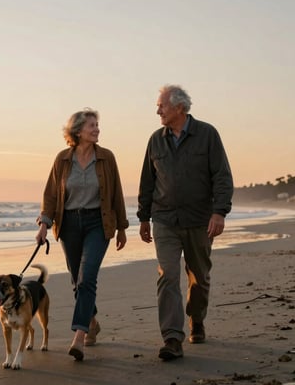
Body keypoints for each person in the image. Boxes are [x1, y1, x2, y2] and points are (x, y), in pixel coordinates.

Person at [137, 85, 233, 361]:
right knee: (167, 275)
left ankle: (197, 318)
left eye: (161, 106)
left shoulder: (207, 134)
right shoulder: (155, 140)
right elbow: (147, 182)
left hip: (200, 220)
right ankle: (172, 338)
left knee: (199, 277)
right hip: (165, 220)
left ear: (179, 107)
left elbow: (222, 177)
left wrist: (219, 212)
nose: (157, 110)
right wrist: (144, 217)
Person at [36, 108, 128, 361]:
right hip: (69, 225)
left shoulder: (107, 158)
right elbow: (51, 194)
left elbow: (116, 193)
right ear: (77, 131)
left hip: (98, 223)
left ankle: (79, 335)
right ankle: (92, 320)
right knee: (78, 281)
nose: (97, 129)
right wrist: (44, 224)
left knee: (87, 277)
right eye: (92, 125)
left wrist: (122, 227)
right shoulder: (63, 159)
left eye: (97, 125)